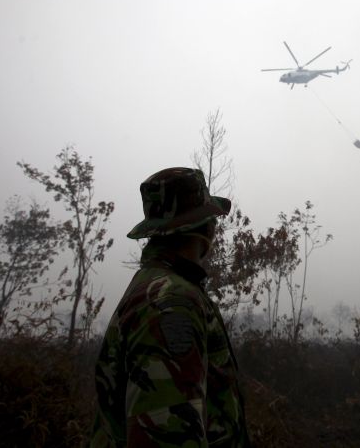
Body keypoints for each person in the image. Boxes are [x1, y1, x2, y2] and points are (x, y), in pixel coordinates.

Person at [91, 167, 250, 447]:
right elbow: (166, 432)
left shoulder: (158, 285)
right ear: (204, 228)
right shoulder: (172, 302)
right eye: (212, 219)